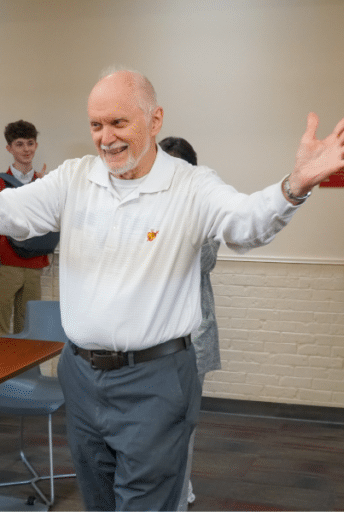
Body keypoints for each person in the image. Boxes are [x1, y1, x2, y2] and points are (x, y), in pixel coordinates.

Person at [0, 62, 344, 510]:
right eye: (96, 125)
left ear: (154, 119)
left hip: (156, 379)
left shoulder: (191, 185)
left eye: (119, 123)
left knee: (145, 502)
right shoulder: (74, 177)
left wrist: (295, 185)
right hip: (79, 374)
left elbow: (245, 225)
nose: (106, 137)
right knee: (98, 500)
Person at [159, 136, 218, 509]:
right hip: (146, 340)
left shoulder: (202, 206)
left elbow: (203, 262)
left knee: (183, 423)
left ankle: (178, 495)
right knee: (151, 426)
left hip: (190, 337)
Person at [0, 119, 50, 429]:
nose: (26, 149)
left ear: (36, 145)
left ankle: (23, 392)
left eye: (30, 143)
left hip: (34, 264)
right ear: (9, 148)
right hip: (7, 263)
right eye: (19, 144)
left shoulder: (45, 180)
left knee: (29, 332)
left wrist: (43, 189)